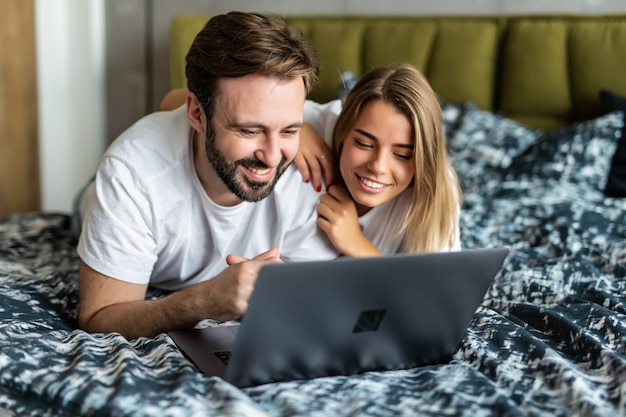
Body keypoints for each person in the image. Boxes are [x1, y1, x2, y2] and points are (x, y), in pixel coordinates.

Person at [76, 11, 338, 340]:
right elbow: (99, 315)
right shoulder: (131, 173)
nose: (273, 156)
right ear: (197, 114)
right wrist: (202, 302)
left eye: (289, 130)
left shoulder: (314, 162)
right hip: (106, 199)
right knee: (88, 204)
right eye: (249, 130)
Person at [162, 64, 463, 257]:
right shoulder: (314, 122)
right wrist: (293, 131)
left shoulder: (438, 190)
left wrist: (357, 245)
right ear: (342, 129)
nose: (379, 166)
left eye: (402, 154)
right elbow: (174, 100)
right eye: (363, 143)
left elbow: (426, 304)